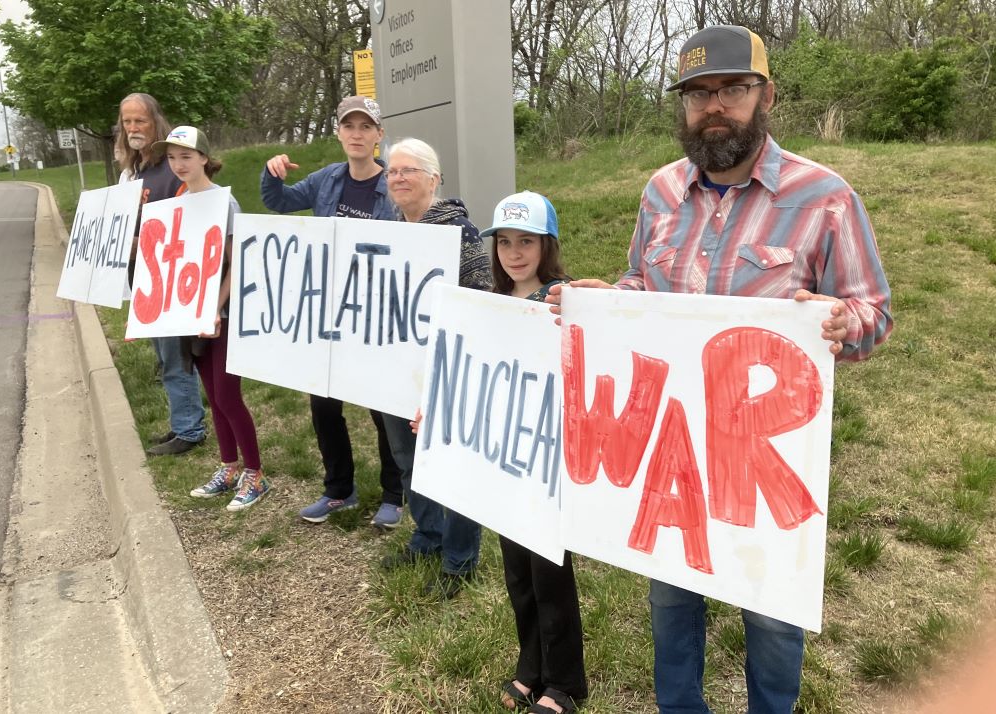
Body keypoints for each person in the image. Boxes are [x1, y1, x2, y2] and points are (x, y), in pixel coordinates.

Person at [547, 25, 892, 714]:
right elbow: (644, 286)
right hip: (669, 452)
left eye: (732, 89)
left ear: (767, 96)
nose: (714, 107)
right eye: (699, 93)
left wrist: (838, 320)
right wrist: (605, 305)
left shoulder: (825, 196)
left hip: (763, 458)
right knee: (671, 594)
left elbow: (874, 313)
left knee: (770, 612)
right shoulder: (660, 193)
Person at [260, 96, 404, 530]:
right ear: (339, 132)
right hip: (329, 311)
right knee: (323, 404)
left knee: (382, 407)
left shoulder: (391, 187)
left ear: (379, 135)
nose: (357, 134)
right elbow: (280, 203)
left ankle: (395, 495)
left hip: (375, 312)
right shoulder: (327, 180)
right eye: (349, 126)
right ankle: (339, 489)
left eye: (366, 127)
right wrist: (271, 174)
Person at [479, 192, 586, 713]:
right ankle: (531, 666)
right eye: (504, 242)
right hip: (504, 458)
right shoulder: (488, 303)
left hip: (549, 461)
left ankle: (564, 682)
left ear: (548, 245)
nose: (514, 253)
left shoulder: (563, 301)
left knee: (550, 574)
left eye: (526, 241)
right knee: (517, 571)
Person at [379, 138, 493, 598]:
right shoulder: (387, 231)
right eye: (391, 171)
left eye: (408, 170)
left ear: (433, 178)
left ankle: (460, 557)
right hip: (395, 368)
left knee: (451, 463)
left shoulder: (459, 230)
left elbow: (480, 295)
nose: (398, 178)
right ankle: (428, 534)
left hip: (444, 369)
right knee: (409, 460)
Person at [151, 126, 273, 510]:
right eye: (172, 158)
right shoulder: (178, 200)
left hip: (223, 314)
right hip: (191, 313)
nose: (179, 164)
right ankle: (229, 467)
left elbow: (238, 264)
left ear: (204, 157)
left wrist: (215, 308)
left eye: (186, 156)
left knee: (227, 394)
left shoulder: (224, 203)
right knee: (212, 396)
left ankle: (255, 474)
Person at [116, 93, 206, 456]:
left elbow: (192, 223)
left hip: (171, 280)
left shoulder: (172, 167)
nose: (134, 128)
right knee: (164, 357)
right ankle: (182, 423)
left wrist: (145, 242)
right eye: (127, 122)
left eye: (140, 121)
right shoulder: (134, 169)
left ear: (156, 122)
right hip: (144, 279)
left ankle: (190, 429)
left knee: (175, 357)